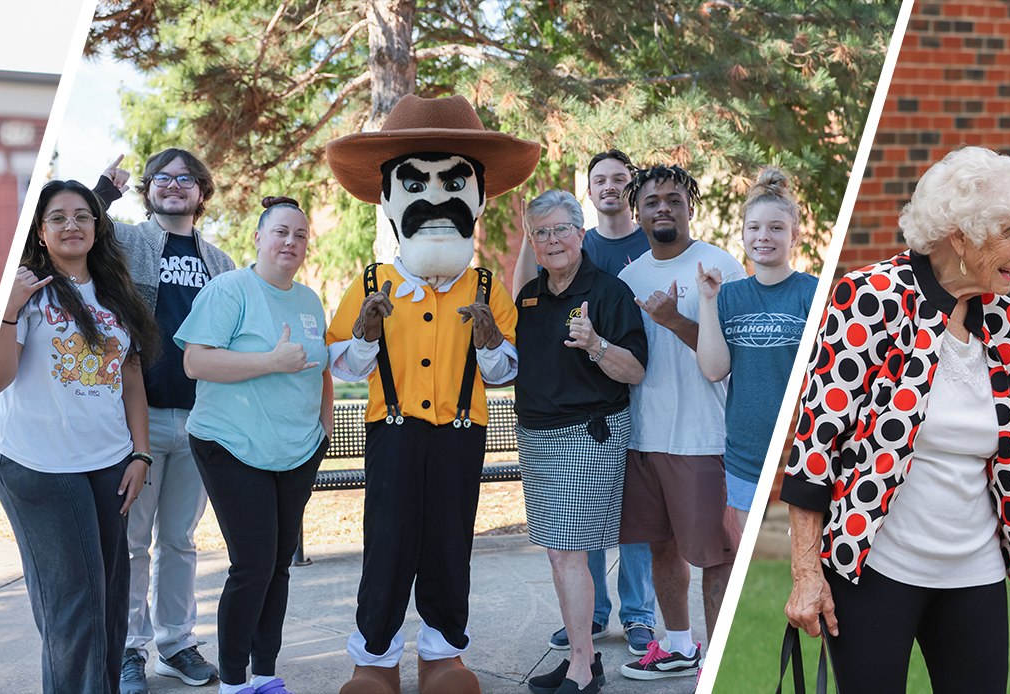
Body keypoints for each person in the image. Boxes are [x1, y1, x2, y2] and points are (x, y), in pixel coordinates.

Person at [782, 146, 1010, 693]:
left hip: (975, 569)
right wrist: (806, 573)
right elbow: (816, 444)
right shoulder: (870, 298)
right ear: (961, 234)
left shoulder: (1005, 318)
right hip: (876, 567)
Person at [322, 94, 536, 694]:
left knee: (448, 544)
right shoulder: (369, 283)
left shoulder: (489, 286)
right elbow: (344, 363)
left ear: (479, 196)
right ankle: (375, 661)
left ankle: (442, 656)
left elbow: (504, 371)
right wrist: (365, 330)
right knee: (387, 546)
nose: (435, 198)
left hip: (462, 437)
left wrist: (492, 341)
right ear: (388, 198)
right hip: (391, 433)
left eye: (454, 182)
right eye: (415, 182)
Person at [0, 179, 158, 693]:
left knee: (108, 600)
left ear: (97, 226)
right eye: (57, 217)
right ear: (40, 232)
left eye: (83, 215)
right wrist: (10, 308)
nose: (71, 225)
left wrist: (141, 453)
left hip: (107, 462)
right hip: (37, 464)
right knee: (74, 606)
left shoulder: (115, 295)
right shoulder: (24, 290)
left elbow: (131, 381)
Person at [175, 197, 334, 694]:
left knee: (279, 566)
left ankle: (265, 673)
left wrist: (323, 432)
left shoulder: (308, 300)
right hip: (231, 444)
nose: (291, 242)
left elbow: (322, 367)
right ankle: (235, 681)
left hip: (297, 450)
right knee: (253, 565)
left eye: (300, 235)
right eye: (281, 232)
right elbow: (196, 363)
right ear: (260, 238)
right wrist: (270, 361)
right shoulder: (230, 290)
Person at [94, 148, 234, 691]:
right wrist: (104, 188)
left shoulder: (219, 262)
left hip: (200, 417)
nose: (173, 186)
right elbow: (74, 225)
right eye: (161, 179)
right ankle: (130, 648)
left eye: (185, 179)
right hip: (140, 418)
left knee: (179, 539)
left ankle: (176, 642)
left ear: (202, 191)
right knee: (132, 539)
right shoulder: (128, 241)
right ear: (147, 189)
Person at [513, 149, 660, 654]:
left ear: (581, 234)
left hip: (591, 432)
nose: (552, 240)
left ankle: (601, 647)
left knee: (588, 541)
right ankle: (589, 627)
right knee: (564, 548)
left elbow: (636, 370)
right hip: (539, 439)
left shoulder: (610, 291)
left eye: (560, 230)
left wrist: (596, 344)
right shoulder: (531, 297)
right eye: (541, 233)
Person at [613, 163, 745, 679]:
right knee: (661, 546)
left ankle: (716, 661)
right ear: (637, 213)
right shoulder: (628, 278)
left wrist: (673, 318)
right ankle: (679, 645)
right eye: (652, 201)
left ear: (691, 206)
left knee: (714, 554)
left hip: (703, 436)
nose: (663, 207)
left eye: (673, 198)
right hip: (643, 435)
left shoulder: (718, 266)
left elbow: (731, 355)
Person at [693, 167, 818, 526]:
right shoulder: (726, 296)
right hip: (745, 457)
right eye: (754, 227)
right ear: (743, 235)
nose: (764, 236)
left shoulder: (813, 294)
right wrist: (707, 300)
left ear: (794, 235)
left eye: (776, 228)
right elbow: (715, 370)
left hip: (802, 454)